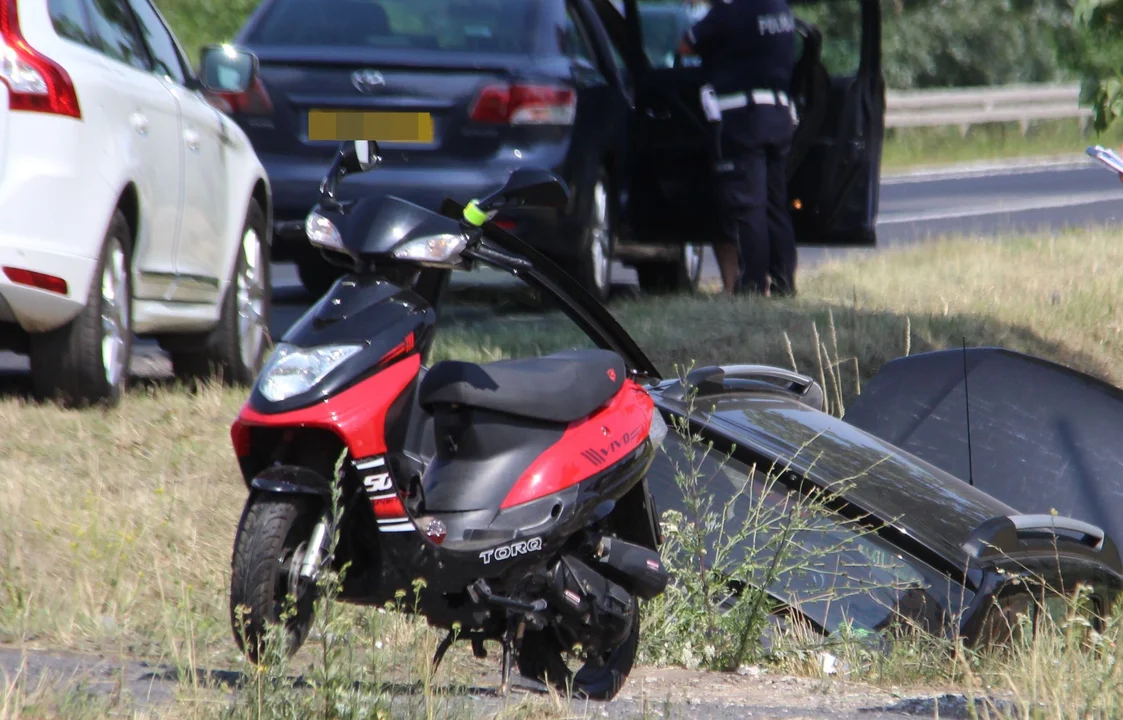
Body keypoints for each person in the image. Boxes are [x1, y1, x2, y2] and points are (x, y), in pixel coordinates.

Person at [678, 0, 799, 297]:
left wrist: (715, 54)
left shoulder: (728, 11)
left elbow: (685, 46)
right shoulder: (780, 10)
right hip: (780, 113)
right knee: (776, 206)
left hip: (745, 117)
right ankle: (785, 284)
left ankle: (754, 287)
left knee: (749, 207)